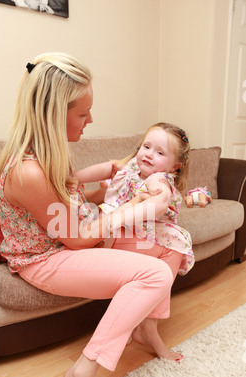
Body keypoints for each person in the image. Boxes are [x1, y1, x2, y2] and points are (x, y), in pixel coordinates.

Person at [0, 52, 178, 377]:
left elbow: (68, 207)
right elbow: (76, 238)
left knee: (169, 248)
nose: (90, 120)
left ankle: (146, 326)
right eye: (83, 113)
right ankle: (81, 374)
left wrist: (117, 192)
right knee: (154, 274)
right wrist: (136, 211)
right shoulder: (27, 170)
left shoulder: (49, 154)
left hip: (66, 241)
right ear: (54, 112)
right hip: (44, 259)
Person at [75, 122, 194, 351]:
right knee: (176, 248)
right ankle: (148, 328)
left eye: (160, 153)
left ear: (174, 167)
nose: (149, 154)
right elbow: (108, 167)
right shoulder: (130, 168)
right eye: (146, 147)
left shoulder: (158, 179)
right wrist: (73, 178)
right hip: (113, 233)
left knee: (173, 246)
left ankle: (142, 325)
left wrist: (122, 216)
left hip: (113, 230)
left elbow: (161, 200)